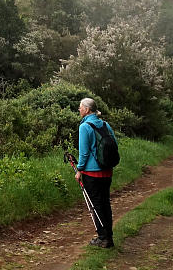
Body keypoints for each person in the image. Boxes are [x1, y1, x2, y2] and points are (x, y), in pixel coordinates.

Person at [77, 97, 115, 248]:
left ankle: (103, 238)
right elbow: (114, 145)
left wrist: (79, 170)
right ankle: (108, 236)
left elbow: (84, 153)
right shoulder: (105, 125)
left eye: (80, 107)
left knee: (96, 205)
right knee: (105, 204)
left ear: (87, 110)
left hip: (92, 174)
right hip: (107, 171)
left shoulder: (84, 127)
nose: (79, 109)